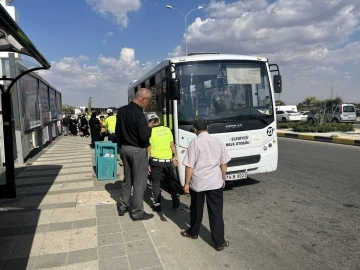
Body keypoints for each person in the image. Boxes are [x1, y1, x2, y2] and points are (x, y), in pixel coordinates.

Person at [181, 118, 231, 251]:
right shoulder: (218, 142)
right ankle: (219, 242)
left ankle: (193, 232)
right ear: (207, 128)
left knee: (196, 210)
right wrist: (223, 177)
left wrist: (186, 183)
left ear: (195, 130)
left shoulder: (194, 143)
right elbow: (223, 163)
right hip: (215, 182)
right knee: (216, 212)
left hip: (198, 183)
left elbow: (189, 166)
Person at [115, 88, 155, 221]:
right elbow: (144, 138)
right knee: (139, 182)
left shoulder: (121, 111)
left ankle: (122, 206)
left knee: (127, 179)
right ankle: (137, 212)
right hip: (138, 151)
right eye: (148, 101)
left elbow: (117, 132)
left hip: (125, 149)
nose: (147, 104)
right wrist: (149, 128)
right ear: (142, 99)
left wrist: (122, 148)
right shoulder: (139, 114)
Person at [146, 112, 180, 212]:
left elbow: (149, 149)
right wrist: (175, 156)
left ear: (149, 122)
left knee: (156, 183)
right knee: (169, 180)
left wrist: (147, 163)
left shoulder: (149, 132)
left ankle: (157, 205)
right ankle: (175, 198)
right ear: (159, 120)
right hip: (168, 160)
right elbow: (172, 144)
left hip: (156, 161)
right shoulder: (167, 129)